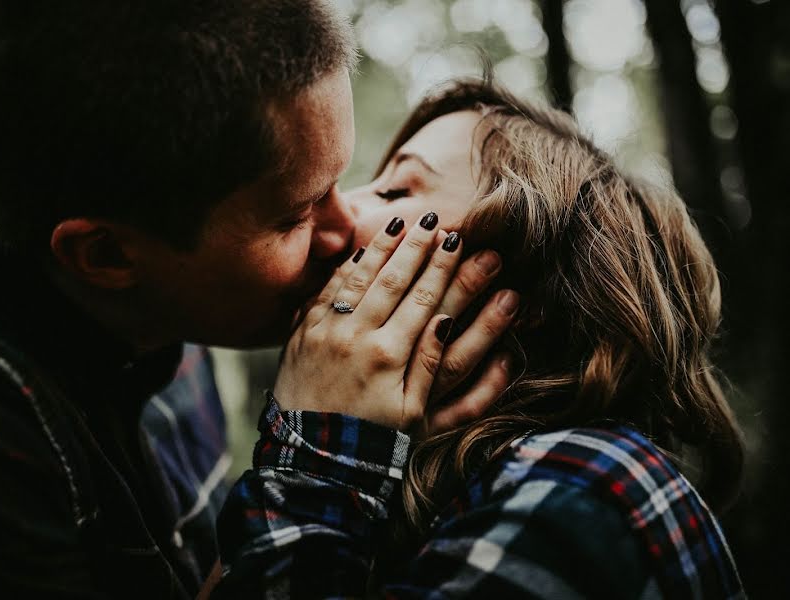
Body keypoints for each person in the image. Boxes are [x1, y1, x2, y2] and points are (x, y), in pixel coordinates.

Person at [0, 2, 515, 598]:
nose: (345, 226)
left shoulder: (171, 323)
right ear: (107, 257)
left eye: (339, 182)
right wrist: (321, 462)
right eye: (295, 214)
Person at [214, 77, 746, 598]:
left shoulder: (585, 484)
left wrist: (314, 464)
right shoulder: (421, 484)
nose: (340, 213)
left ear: (526, 297)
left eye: (396, 188)